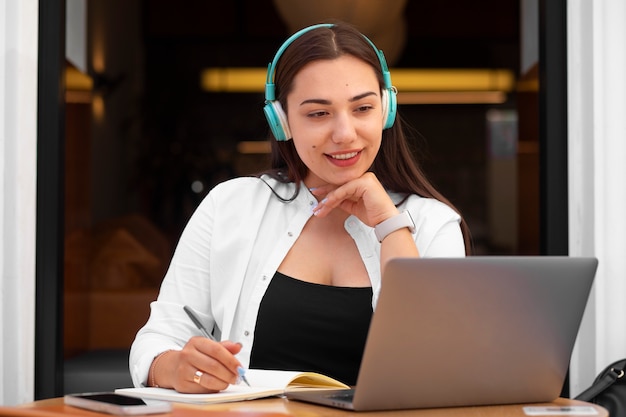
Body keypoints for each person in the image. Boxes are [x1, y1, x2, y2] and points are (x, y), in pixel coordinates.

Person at [129, 21, 471, 393]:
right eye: (318, 113)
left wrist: (389, 225)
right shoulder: (230, 206)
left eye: (362, 108)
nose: (345, 133)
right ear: (281, 121)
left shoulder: (433, 224)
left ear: (386, 111)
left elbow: (438, 365)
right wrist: (175, 367)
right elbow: (157, 339)